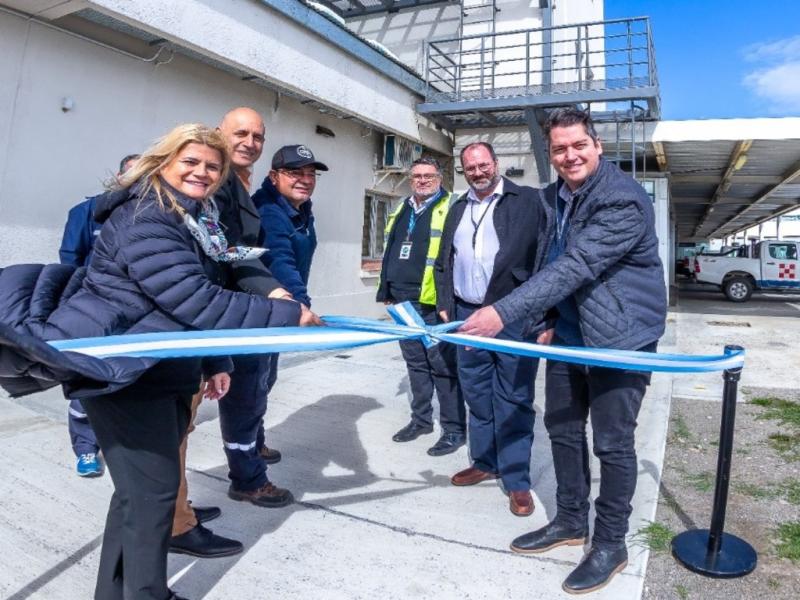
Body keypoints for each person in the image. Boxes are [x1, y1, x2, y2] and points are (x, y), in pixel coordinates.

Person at [0, 123, 302, 600]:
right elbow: (193, 298)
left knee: (137, 496)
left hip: (159, 368)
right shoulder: (146, 216)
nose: (202, 173)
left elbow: (206, 285)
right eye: (191, 162)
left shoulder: (193, 218)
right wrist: (286, 313)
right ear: (163, 161)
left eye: (213, 166)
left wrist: (213, 361)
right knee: (154, 495)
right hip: (124, 375)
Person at [459, 108, 667, 594]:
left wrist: (502, 313)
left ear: (596, 145)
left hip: (622, 335)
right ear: (550, 155)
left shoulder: (623, 201)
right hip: (571, 333)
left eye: (578, 145)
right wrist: (550, 317)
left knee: (612, 442)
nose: (569, 156)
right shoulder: (554, 196)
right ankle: (571, 520)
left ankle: (611, 542)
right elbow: (546, 261)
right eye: (558, 149)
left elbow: (575, 265)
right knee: (563, 428)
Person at [210, 111, 317, 511]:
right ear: (276, 177)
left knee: (261, 383)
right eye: (294, 172)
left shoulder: (291, 206)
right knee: (245, 392)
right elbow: (268, 260)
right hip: (245, 311)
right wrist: (297, 303)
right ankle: (247, 477)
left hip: (267, 307)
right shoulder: (254, 203)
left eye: (258, 135)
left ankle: (252, 444)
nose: (249, 141)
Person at [434, 142, 544, 516]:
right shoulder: (457, 207)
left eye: (483, 165)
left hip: (512, 317)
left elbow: (545, 259)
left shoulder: (527, 201)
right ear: (463, 171)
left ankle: (516, 481)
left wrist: (543, 315)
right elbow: (444, 260)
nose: (478, 172)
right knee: (477, 394)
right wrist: (446, 303)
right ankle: (485, 461)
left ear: (496, 164)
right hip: (467, 317)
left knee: (513, 397)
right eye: (470, 168)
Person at [375, 157, 465, 456]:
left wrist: (446, 301)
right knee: (415, 364)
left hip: (431, 303)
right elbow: (390, 249)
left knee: (442, 366)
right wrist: (385, 289)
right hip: (402, 300)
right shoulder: (402, 207)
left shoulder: (452, 206)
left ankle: (453, 429)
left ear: (440, 178)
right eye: (416, 176)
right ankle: (421, 420)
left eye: (428, 175)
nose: (422, 180)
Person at [59, 153, 139, 478]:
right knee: (88, 379)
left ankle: (120, 439)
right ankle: (86, 449)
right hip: (95, 312)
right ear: (119, 178)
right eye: (134, 177)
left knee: (125, 379)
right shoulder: (86, 213)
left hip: (135, 316)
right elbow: (69, 263)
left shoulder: (152, 217)